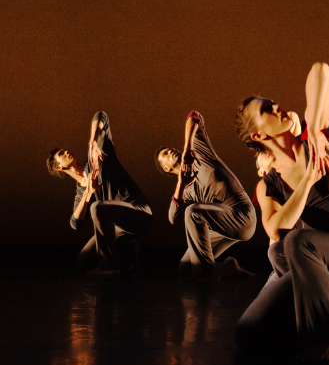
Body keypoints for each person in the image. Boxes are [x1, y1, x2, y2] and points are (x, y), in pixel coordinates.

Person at [232, 62, 329, 360]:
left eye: (272, 102)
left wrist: (317, 130)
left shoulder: (315, 139)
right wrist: (307, 181)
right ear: (257, 135)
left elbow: (321, 70)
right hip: (316, 266)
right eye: (266, 109)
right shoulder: (269, 184)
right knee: (247, 333)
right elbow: (275, 228)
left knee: (297, 242)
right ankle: (313, 319)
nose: (277, 106)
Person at [156, 111, 257, 281]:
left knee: (193, 211)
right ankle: (227, 267)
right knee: (186, 267)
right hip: (224, 227)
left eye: (170, 149)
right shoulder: (186, 192)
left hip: (243, 216)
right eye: (165, 154)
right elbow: (173, 218)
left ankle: (206, 275)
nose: (171, 151)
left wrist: (187, 148)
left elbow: (194, 116)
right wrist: (180, 184)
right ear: (166, 169)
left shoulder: (199, 154)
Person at [47, 111, 151, 274]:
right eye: (61, 154)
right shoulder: (80, 191)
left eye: (65, 149)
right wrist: (88, 194)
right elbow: (75, 224)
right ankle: (129, 254)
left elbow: (101, 115)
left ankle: (110, 267)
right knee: (83, 261)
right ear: (59, 167)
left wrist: (93, 142)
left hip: (138, 213)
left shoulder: (97, 160)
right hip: (117, 228)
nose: (66, 151)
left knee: (98, 207)